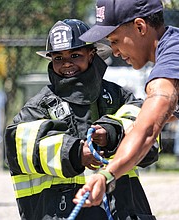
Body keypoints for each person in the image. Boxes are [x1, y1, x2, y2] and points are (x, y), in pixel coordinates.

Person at [5, 18, 160, 220]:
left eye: (75, 55)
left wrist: (113, 133)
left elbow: (149, 130)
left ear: (92, 54)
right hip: (63, 212)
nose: (67, 63)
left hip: (121, 211)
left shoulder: (118, 96)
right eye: (58, 58)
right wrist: (75, 152)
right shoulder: (40, 106)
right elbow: (16, 145)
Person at [73, 0, 179, 209]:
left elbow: (148, 129)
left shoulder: (170, 65)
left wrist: (106, 174)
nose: (114, 52)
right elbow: (161, 116)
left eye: (115, 40)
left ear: (140, 27)